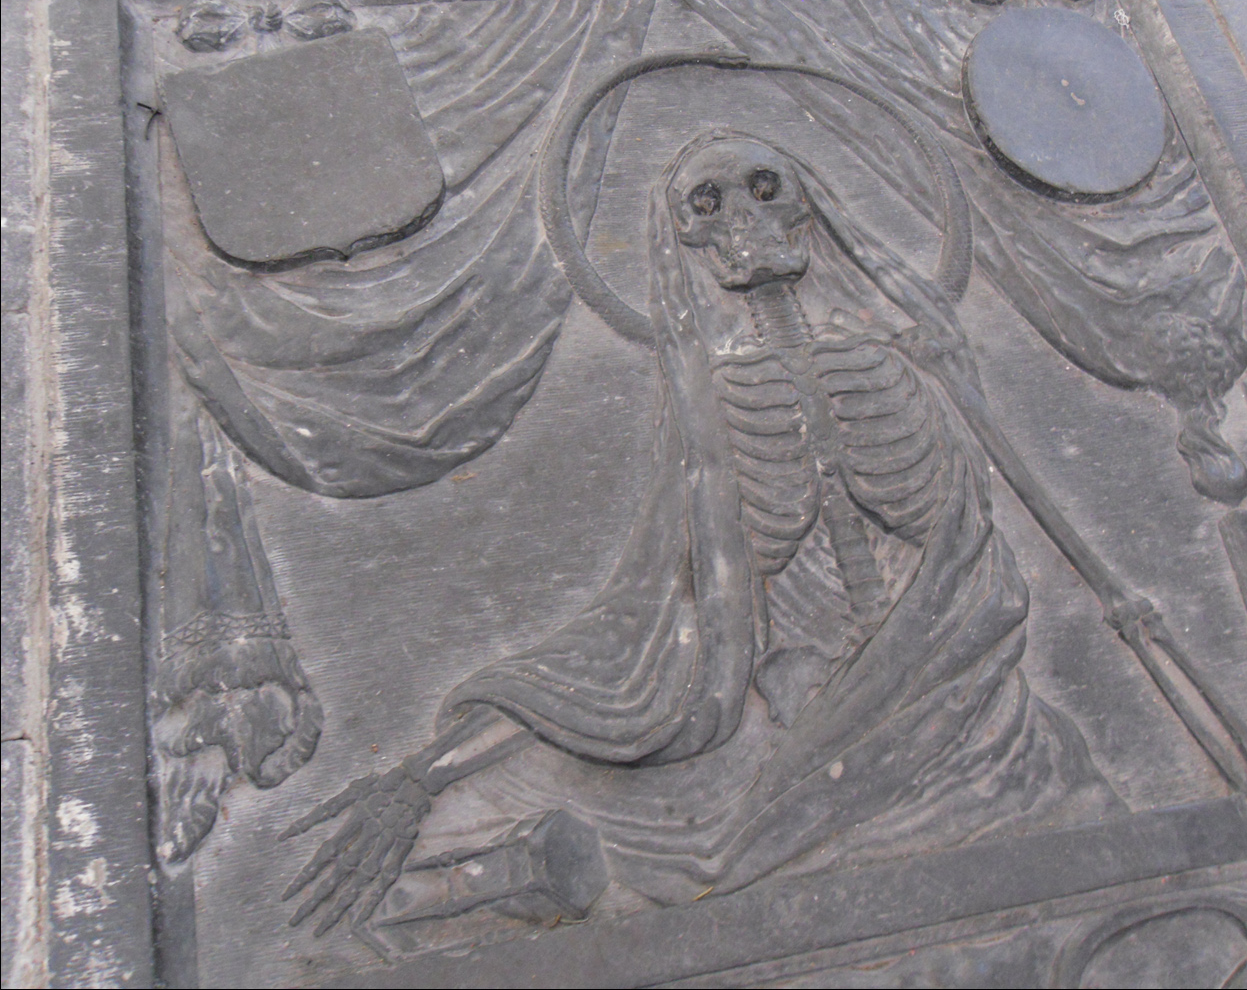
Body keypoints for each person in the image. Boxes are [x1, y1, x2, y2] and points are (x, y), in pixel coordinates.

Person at [283, 131, 1119, 935]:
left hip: (969, 711)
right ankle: (472, 878)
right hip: (806, 734)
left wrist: (952, 371)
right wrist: (426, 772)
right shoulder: (714, 418)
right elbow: (637, 629)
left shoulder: (905, 368)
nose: (743, 229)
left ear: (809, 212)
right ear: (688, 243)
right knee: (674, 847)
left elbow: (978, 558)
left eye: (765, 193)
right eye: (708, 209)